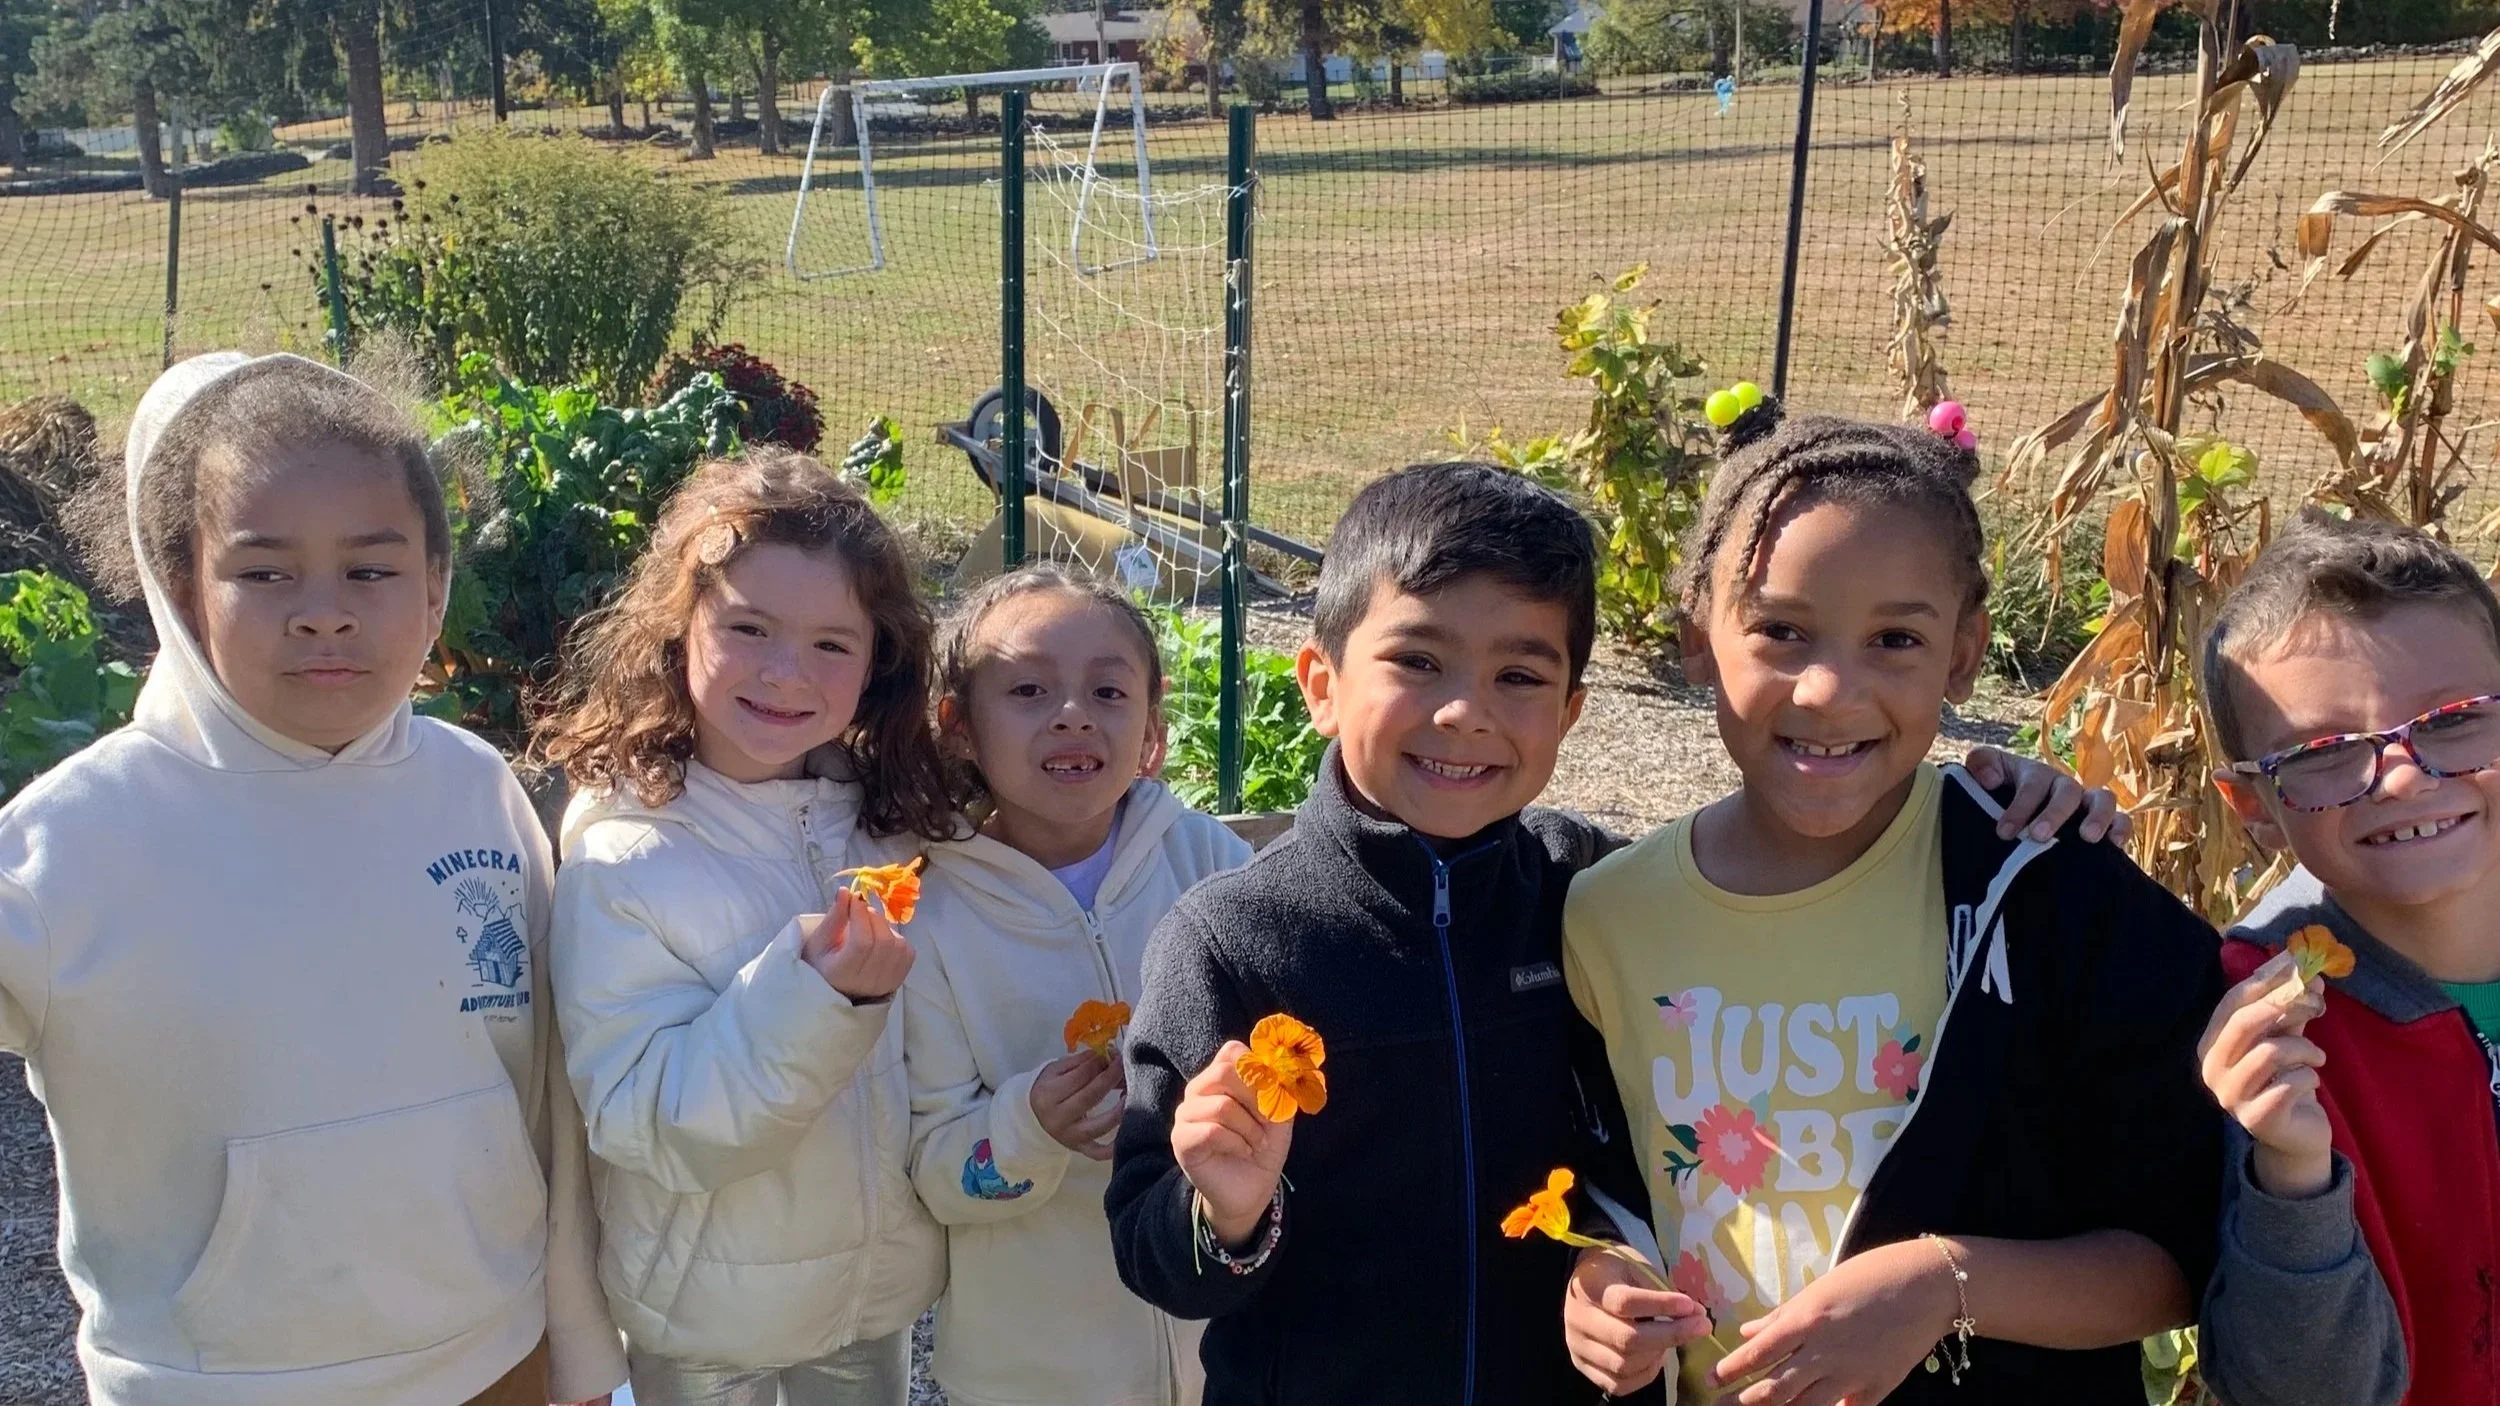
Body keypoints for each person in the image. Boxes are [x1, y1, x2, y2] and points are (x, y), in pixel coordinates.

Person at [1105, 459, 2109, 1405]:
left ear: (1572, 708)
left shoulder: (1594, 890)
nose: (1465, 711)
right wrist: (1223, 1213)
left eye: (1520, 676)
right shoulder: (1230, 940)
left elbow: (1640, 1144)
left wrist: (1991, 801)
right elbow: (1152, 1251)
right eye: (1417, 659)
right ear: (1320, 683)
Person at [1561, 403, 2223, 1405]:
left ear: (1962, 654)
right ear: (1697, 635)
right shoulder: (1603, 917)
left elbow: (2187, 1244)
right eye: (1780, 629)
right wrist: (1595, 1277)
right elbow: (1594, 1188)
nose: (1831, 687)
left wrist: (1944, 1285)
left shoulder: (2039, 884)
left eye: (1895, 638)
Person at [0, 351, 623, 1406]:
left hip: (493, 1355)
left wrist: (579, 1350)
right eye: (265, 570)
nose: (323, 612)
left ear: (435, 587)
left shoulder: (474, 790)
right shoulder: (70, 842)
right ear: (182, 589)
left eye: (371, 569)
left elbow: (545, 1098)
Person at [538, 450, 960, 1406]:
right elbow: (651, 1125)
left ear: (878, 661)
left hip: (869, 1303)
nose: (784, 672)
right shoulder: (624, 863)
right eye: (749, 628)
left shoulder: (885, 822)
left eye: (830, 644)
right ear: (675, 631)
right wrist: (818, 998)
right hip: (707, 1329)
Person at [904, 563, 1252, 1406]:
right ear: (958, 728)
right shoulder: (930, 915)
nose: (1072, 715)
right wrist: (1028, 1127)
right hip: (1036, 1372)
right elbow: (933, 1170)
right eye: (1028, 690)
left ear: (1152, 731)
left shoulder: (1210, 862)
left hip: (1227, 1346)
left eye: (1107, 692)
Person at [2195, 509, 2500, 1406]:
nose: (2404, 776)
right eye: (2325, 752)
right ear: (2251, 805)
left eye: (2453, 721)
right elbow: (2303, 1388)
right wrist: (2291, 1174)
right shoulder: (2258, 1030)